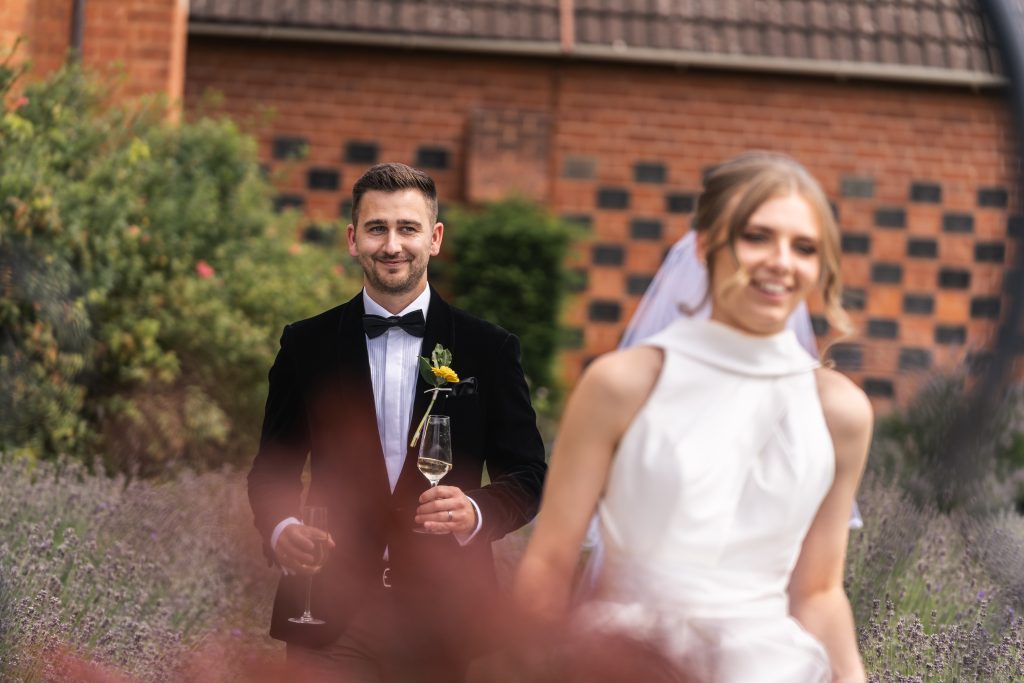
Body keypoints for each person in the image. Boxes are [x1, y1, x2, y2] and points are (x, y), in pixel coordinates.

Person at [514, 152, 872, 682]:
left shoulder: (840, 411)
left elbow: (818, 592)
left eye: (804, 247)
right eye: (757, 236)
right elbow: (549, 562)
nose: (781, 261)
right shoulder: (623, 384)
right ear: (705, 245)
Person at [248, 162, 547, 682]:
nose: (392, 245)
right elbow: (271, 471)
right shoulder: (306, 345)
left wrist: (476, 510)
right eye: (376, 228)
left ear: (434, 238)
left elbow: (528, 475)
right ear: (352, 238)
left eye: (407, 228)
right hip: (327, 612)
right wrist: (281, 528)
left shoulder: (489, 349)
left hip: (444, 617)